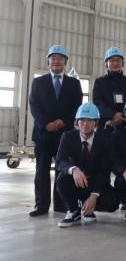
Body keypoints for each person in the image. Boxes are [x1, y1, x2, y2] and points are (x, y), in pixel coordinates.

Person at [29, 45, 83, 217]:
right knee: (41, 171)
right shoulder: (38, 82)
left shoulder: (74, 84)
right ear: (48, 61)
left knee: (63, 170)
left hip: (65, 135)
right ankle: (41, 205)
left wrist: (62, 121)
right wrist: (46, 124)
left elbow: (77, 106)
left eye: (60, 58)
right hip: (43, 134)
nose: (56, 61)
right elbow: (34, 106)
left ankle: (61, 204)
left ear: (65, 62)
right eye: (53, 58)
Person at [55, 103, 119, 227]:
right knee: (62, 179)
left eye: (90, 120)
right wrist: (73, 170)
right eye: (82, 120)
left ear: (96, 123)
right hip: (76, 182)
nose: (85, 124)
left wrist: (94, 195)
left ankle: (88, 209)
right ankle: (73, 211)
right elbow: (60, 161)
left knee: (112, 202)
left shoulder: (104, 141)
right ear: (77, 122)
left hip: (95, 183)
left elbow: (104, 170)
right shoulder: (67, 137)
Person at [92, 47, 126, 132]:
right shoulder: (99, 82)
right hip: (105, 124)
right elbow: (98, 102)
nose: (115, 63)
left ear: (122, 63)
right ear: (106, 64)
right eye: (112, 60)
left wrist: (123, 115)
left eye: (118, 61)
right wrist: (113, 114)